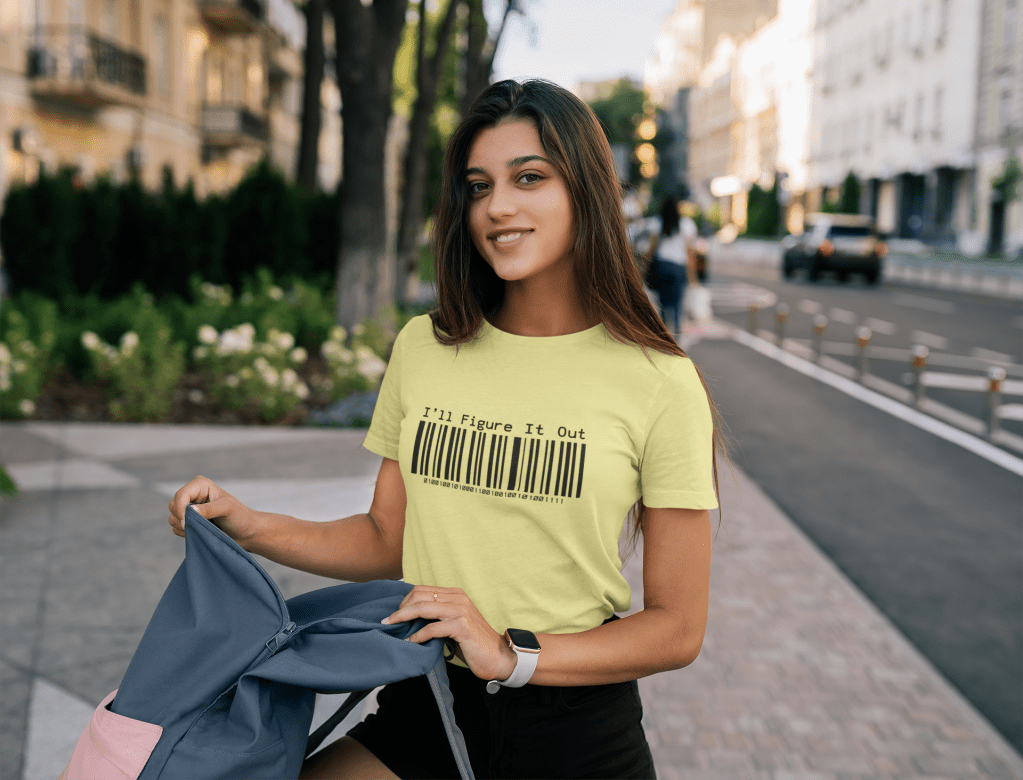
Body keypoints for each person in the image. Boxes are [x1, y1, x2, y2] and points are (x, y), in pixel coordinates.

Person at [168, 79, 721, 780]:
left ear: (585, 190)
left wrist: (511, 652)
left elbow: (677, 627)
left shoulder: (658, 380)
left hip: (574, 733)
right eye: (477, 186)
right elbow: (384, 538)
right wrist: (247, 524)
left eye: (529, 178)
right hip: (426, 702)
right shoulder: (425, 348)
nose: (497, 207)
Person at [645, 195, 698, 336]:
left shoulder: (657, 223)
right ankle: (677, 334)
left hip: (662, 266)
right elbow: (689, 252)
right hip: (678, 268)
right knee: (677, 304)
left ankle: (664, 334)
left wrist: (641, 269)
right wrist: (692, 276)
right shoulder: (686, 225)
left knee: (662, 303)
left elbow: (651, 250)